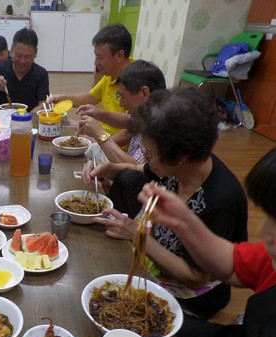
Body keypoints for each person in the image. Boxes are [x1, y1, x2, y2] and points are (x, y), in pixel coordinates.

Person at [83, 88, 248, 319]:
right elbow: (138, 168)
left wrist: (136, 234)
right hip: (156, 254)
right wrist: (110, 169)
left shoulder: (220, 200)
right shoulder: (184, 162)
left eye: (150, 154)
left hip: (192, 294)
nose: (146, 158)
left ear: (180, 157)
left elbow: (195, 277)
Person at [138, 147, 276, 337]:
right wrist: (182, 221)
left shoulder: (223, 197)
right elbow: (230, 265)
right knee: (148, 325)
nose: (263, 231)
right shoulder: (271, 259)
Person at [50, 23, 133, 136]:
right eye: (96, 56)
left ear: (119, 55)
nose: (95, 62)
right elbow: (90, 97)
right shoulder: (110, 75)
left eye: (100, 57)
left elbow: (133, 129)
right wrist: (60, 98)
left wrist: (101, 138)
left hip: (115, 145)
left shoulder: (137, 80)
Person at [80, 60, 166, 164]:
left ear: (144, 93)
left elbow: (137, 168)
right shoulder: (147, 112)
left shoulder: (158, 126)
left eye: (123, 97)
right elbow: (128, 122)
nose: (121, 103)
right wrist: (97, 114)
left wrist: (100, 135)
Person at [0, 28, 49, 112]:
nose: (22, 61)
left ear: (35, 52)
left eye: (27, 57)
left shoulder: (41, 74)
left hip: (30, 117)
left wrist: (25, 117)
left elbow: (43, 104)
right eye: (18, 55)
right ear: (12, 50)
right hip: (2, 117)